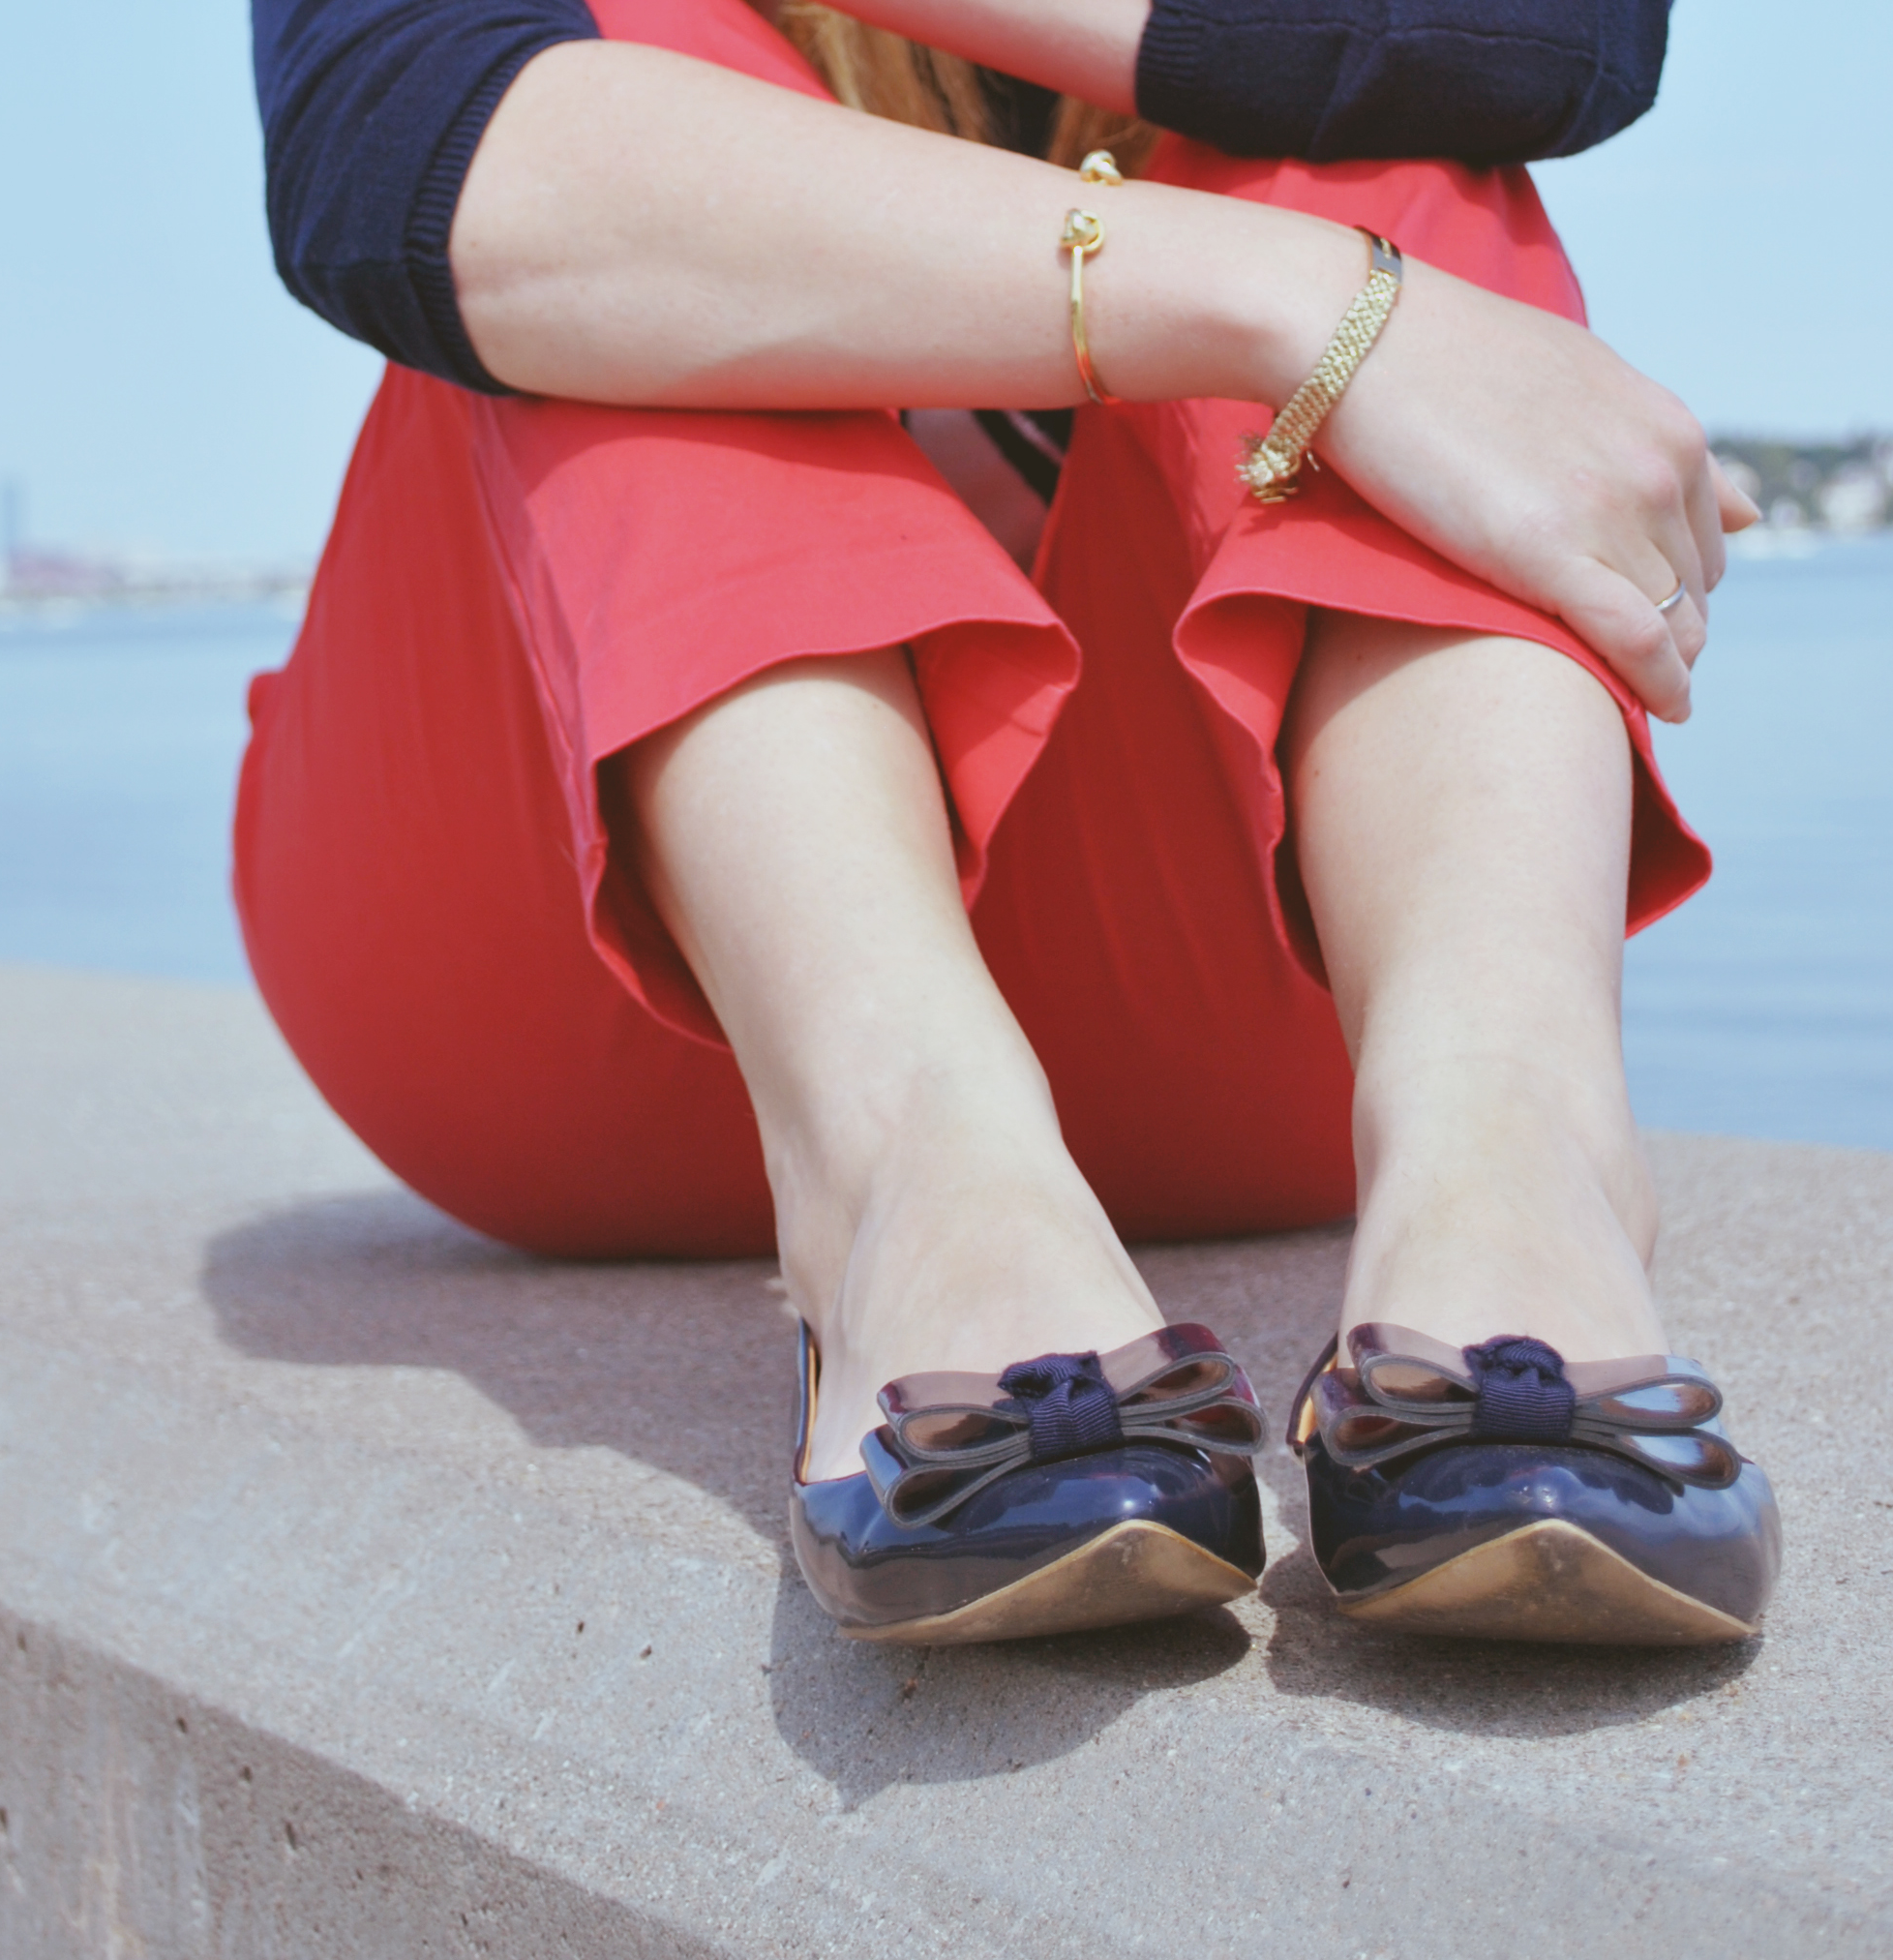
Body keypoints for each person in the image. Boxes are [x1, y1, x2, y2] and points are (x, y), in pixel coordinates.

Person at [235, 0, 1781, 1646]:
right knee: (608, 140)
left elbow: (1528, 38)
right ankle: (909, 1173)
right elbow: (394, 145)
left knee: (1384, 125)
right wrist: (1317, 312)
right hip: (554, 972)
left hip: (1237, 972)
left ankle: (1507, 1145)